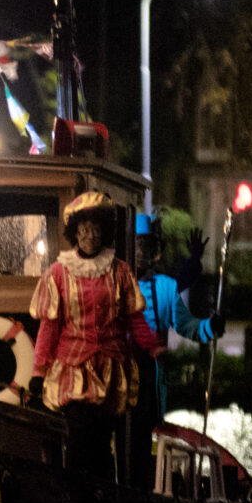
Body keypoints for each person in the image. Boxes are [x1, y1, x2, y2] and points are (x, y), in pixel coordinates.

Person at [26, 191, 163, 475]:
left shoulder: (120, 271)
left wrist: (152, 348)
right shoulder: (58, 273)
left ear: (105, 231)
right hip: (74, 370)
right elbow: (49, 328)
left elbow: (135, 318)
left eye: (96, 229)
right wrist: (39, 371)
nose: (90, 235)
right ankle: (80, 502)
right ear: (75, 232)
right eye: (85, 229)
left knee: (103, 443)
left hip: (110, 370)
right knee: (79, 439)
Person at [136, 215, 227, 417]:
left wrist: (210, 326)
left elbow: (188, 326)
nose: (142, 251)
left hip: (152, 383)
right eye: (137, 244)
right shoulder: (112, 284)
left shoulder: (165, 287)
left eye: (147, 245)